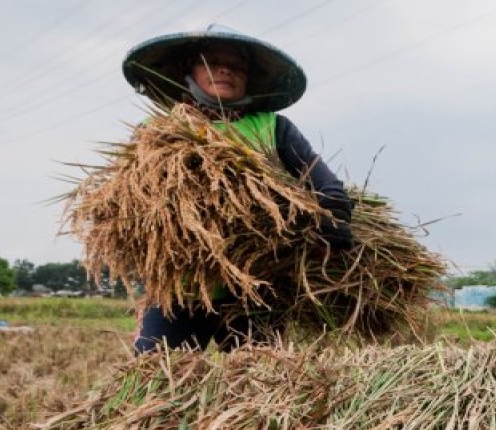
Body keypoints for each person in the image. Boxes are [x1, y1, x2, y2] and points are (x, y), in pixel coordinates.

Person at [121, 25, 354, 353]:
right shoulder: (158, 131)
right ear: (190, 70)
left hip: (256, 287)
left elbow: (327, 186)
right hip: (178, 290)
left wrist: (330, 221)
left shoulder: (272, 127)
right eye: (211, 61)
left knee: (262, 387)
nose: (225, 69)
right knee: (156, 384)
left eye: (236, 65)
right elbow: (129, 201)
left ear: (249, 77)